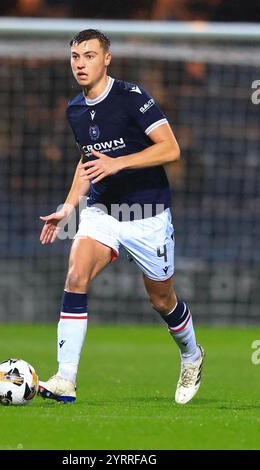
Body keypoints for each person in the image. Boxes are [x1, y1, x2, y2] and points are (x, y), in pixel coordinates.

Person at [38, 29, 205, 405]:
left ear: (106, 59)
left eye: (89, 55)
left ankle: (192, 355)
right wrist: (69, 206)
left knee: (162, 301)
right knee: (76, 275)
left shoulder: (132, 98)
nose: (80, 63)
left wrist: (120, 163)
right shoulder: (75, 109)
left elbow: (171, 148)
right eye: (75, 56)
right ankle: (65, 378)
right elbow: (88, 163)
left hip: (148, 213)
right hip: (103, 211)